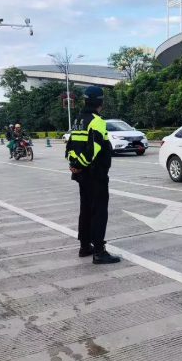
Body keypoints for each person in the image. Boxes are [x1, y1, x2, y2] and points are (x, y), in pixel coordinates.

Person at [66, 86, 120, 264]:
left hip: (82, 174)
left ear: (85, 100)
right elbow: (94, 149)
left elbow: (70, 147)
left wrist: (74, 164)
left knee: (86, 210)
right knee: (98, 212)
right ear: (101, 102)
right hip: (95, 174)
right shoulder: (97, 121)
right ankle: (99, 251)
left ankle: (85, 247)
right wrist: (81, 165)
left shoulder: (78, 120)